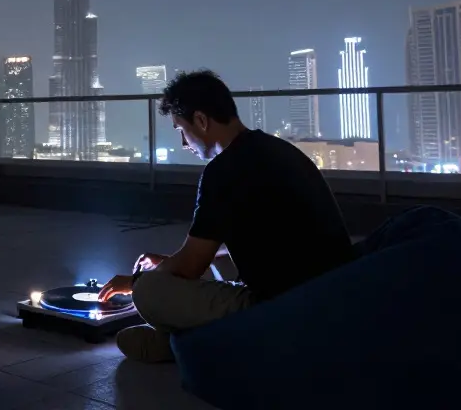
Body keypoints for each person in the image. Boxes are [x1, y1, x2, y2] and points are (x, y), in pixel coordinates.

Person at [98, 70, 354, 363]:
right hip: (330, 297)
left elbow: (192, 266)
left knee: (149, 291)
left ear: (201, 121)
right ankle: (186, 343)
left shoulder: (223, 171)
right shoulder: (277, 150)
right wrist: (172, 261)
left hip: (284, 310)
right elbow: (260, 239)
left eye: (181, 130)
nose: (184, 143)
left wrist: (135, 281)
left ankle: (188, 345)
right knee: (213, 267)